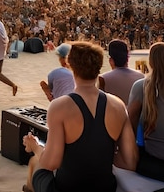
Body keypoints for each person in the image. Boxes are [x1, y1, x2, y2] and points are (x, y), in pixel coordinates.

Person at [22, 42, 138, 192]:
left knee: (38, 168)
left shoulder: (59, 107)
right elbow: (130, 162)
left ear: (70, 66)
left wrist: (35, 146)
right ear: (99, 67)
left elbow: (51, 163)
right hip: (105, 187)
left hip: (67, 188)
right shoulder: (118, 105)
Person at [127, 42, 164, 182]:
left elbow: (129, 123)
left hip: (153, 164)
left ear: (150, 62)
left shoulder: (141, 86)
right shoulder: (143, 86)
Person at [99, 39, 143, 105]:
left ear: (111, 60)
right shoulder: (141, 77)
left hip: (112, 114)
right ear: (127, 58)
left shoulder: (103, 79)